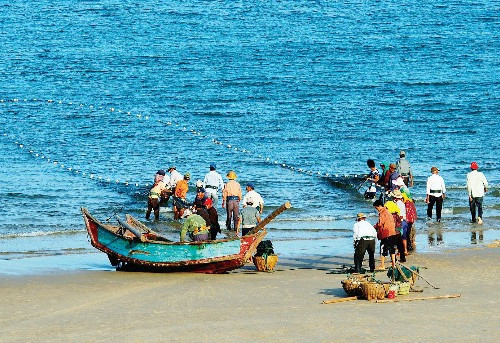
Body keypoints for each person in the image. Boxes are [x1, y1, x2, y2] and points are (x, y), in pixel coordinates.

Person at [373, 200, 405, 270]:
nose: (376, 209)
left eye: (376, 208)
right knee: (392, 249)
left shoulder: (382, 212)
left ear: (379, 206)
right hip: (392, 232)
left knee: (383, 248)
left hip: (386, 233)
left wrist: (375, 226)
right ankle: (394, 264)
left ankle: (382, 265)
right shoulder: (388, 212)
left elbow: (381, 223)